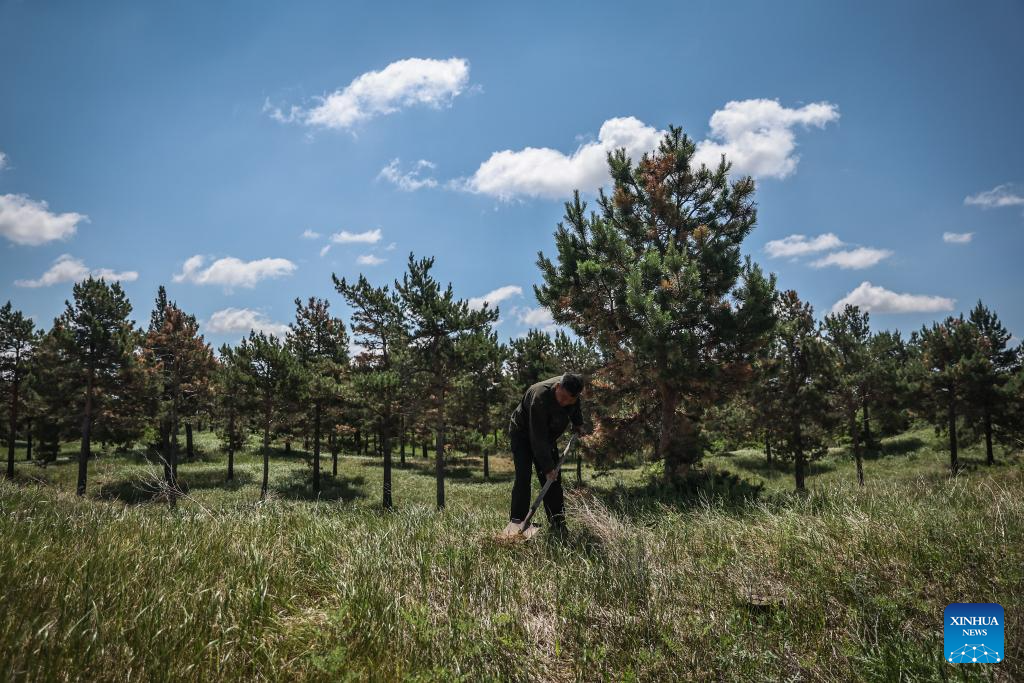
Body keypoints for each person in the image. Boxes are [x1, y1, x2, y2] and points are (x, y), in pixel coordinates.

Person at [508, 372, 585, 532]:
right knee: (523, 477)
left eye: (568, 400)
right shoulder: (539, 397)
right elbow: (538, 437)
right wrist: (548, 467)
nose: (564, 402)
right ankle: (517, 522)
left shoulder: (572, 395)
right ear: (557, 386)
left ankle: (558, 523)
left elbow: (575, 408)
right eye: (562, 397)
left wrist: (578, 424)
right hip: (522, 434)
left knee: (553, 481)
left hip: (547, 436)